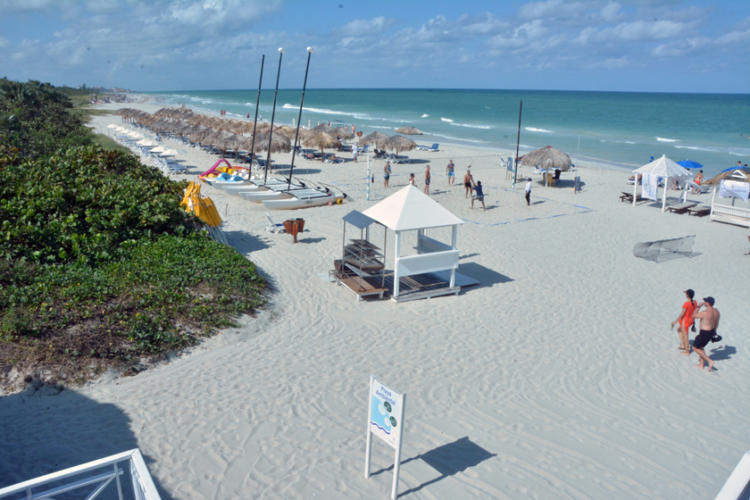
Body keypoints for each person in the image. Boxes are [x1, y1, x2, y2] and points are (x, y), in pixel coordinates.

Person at [692, 297, 720, 371]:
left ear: (708, 303)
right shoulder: (716, 311)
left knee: (695, 348)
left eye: (705, 301)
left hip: (704, 333)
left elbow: (693, 315)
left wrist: (698, 307)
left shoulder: (705, 312)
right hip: (711, 331)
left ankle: (709, 361)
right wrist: (714, 332)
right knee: (701, 347)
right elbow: (716, 322)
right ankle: (701, 364)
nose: (704, 302)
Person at [671, 289, 697, 354]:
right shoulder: (695, 302)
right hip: (691, 320)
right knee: (679, 330)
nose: (685, 294)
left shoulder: (686, 304)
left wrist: (675, 321)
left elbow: (682, 314)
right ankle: (682, 345)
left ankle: (687, 351)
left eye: (686, 294)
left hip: (685, 321)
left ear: (687, 295)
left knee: (686, 336)